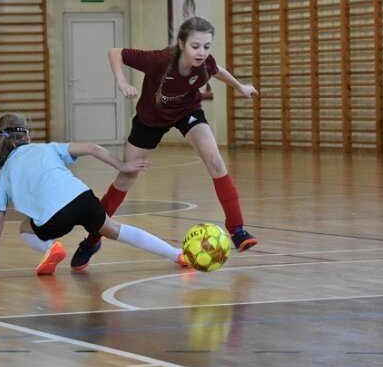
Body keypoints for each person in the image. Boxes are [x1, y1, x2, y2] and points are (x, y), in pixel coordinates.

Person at [71, 16, 259, 269]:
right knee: (125, 178)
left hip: (187, 112)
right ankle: (93, 238)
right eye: (195, 46)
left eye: (206, 46)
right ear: (181, 44)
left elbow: (218, 70)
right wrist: (122, 82)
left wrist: (240, 87)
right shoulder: (159, 60)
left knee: (215, 160)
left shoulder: (206, 63)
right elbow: (115, 53)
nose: (201, 52)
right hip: (150, 119)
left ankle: (237, 229)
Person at [0, 113, 187, 276]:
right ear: (27, 135)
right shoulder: (47, 148)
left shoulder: (2, 176)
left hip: (53, 219)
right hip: (83, 199)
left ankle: (51, 247)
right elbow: (91, 148)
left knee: (24, 227)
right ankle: (176, 253)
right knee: (116, 230)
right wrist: (123, 166)